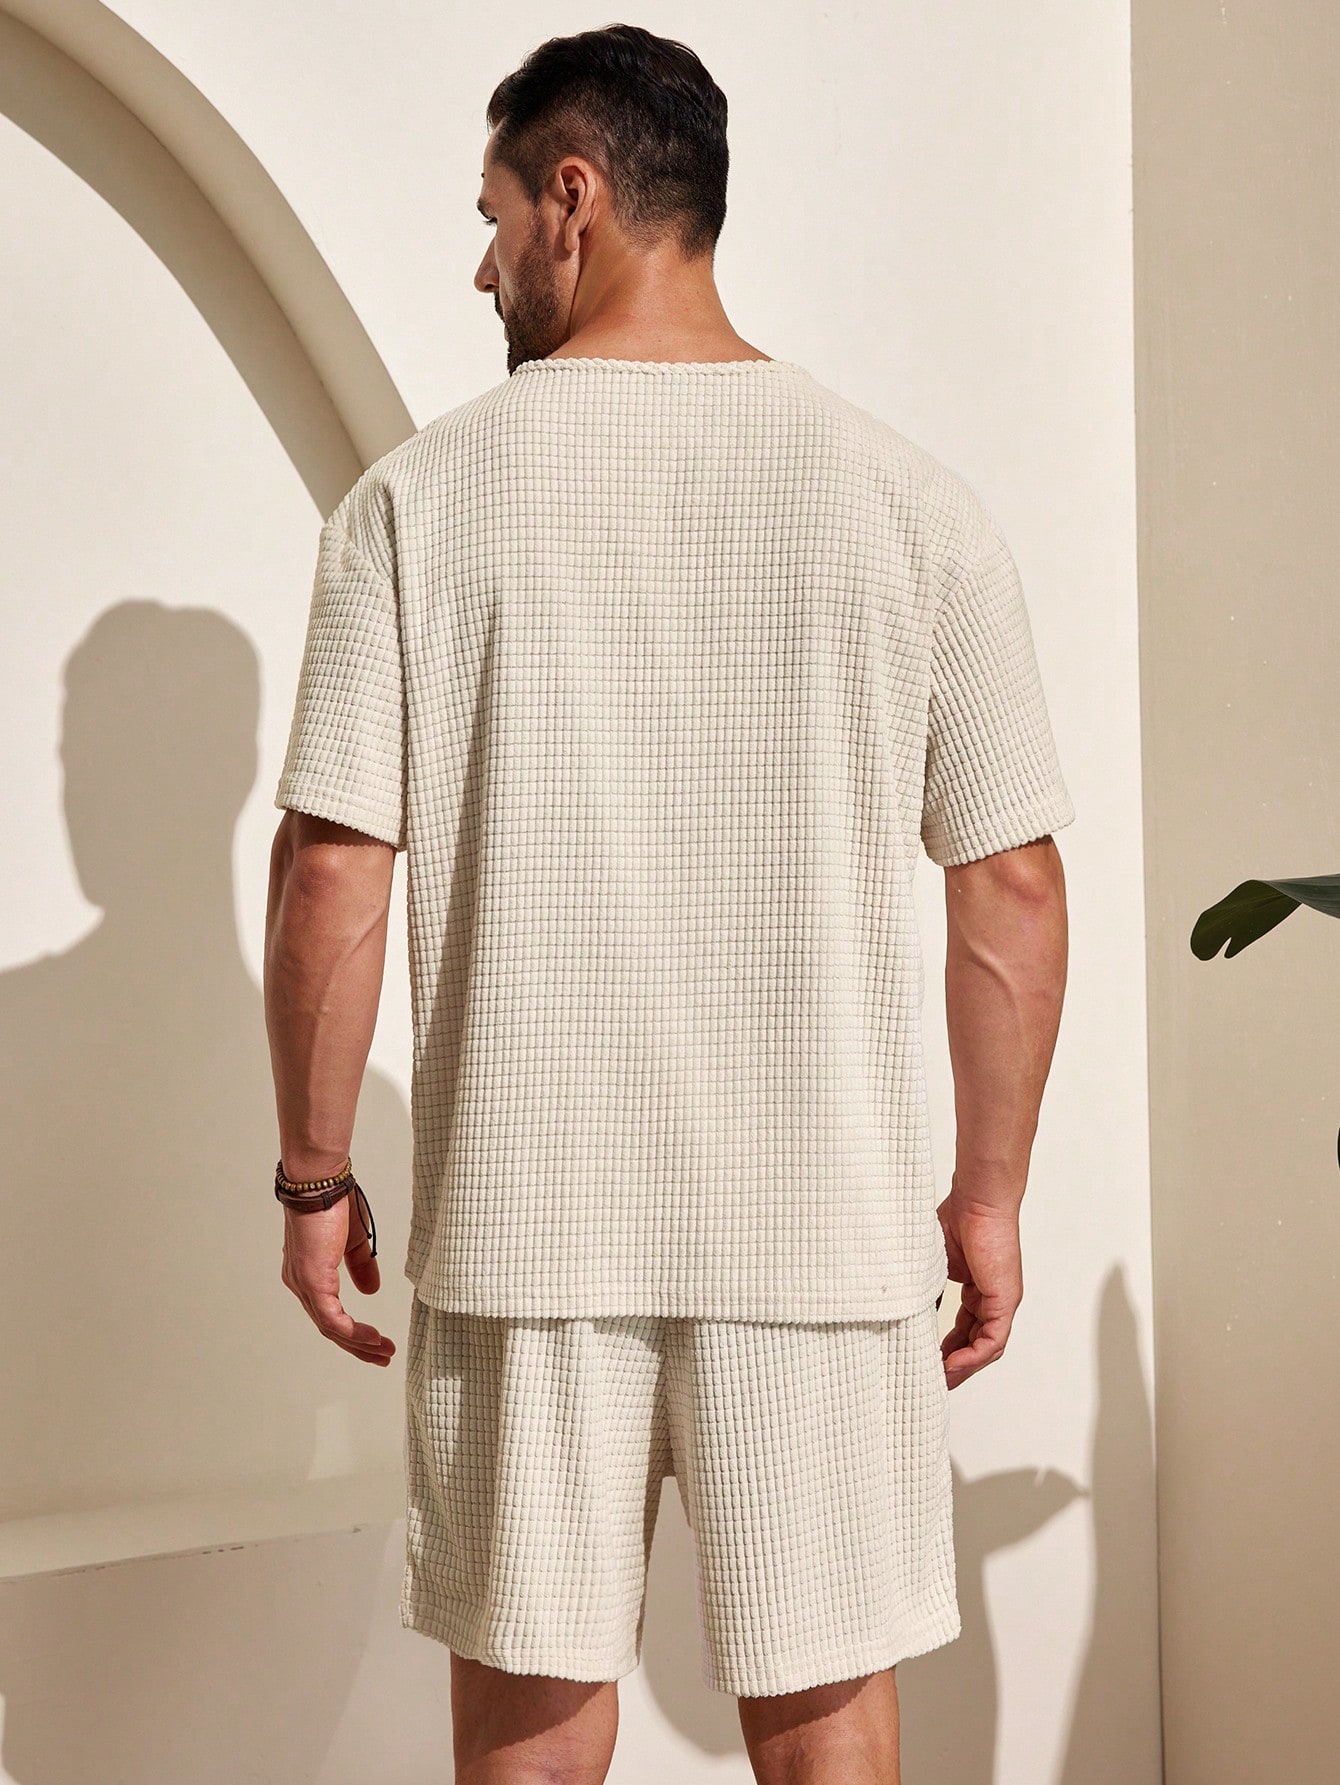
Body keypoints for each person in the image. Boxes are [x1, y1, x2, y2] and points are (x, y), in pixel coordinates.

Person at [263, 22, 1072, 1785]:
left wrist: (316, 1175)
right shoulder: (910, 505)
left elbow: (332, 863)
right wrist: (990, 1195)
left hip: (526, 1229)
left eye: (493, 217)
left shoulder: (415, 506)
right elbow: (1010, 876)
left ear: (577, 196)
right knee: (828, 1734)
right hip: (820, 1232)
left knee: (535, 1745)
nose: (484, 265)